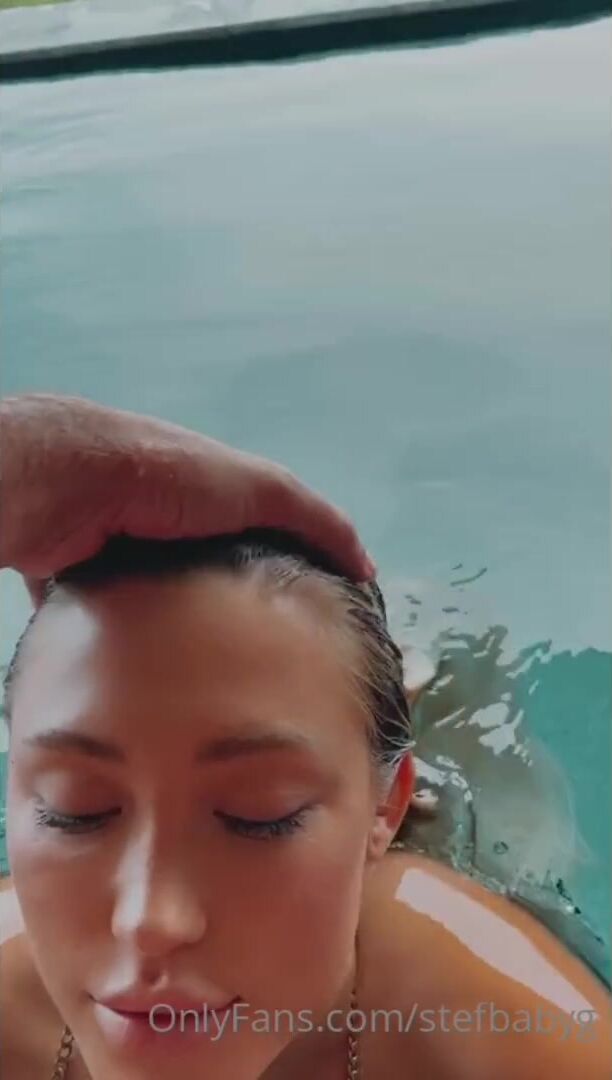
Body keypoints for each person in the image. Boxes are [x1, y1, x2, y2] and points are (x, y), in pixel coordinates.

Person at [0, 398, 610, 1079]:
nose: (150, 922)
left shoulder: (509, 1032)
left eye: (257, 816)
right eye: (74, 808)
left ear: (385, 807)